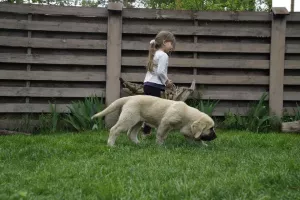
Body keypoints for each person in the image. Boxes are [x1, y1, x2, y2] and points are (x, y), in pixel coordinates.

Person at [142, 30, 176, 137]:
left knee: (148, 110)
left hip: (147, 84)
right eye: (171, 44)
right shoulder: (164, 55)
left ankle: (145, 131)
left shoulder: (155, 53)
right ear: (165, 42)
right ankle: (152, 132)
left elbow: (155, 71)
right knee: (155, 112)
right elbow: (161, 72)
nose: (172, 47)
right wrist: (167, 81)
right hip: (155, 86)